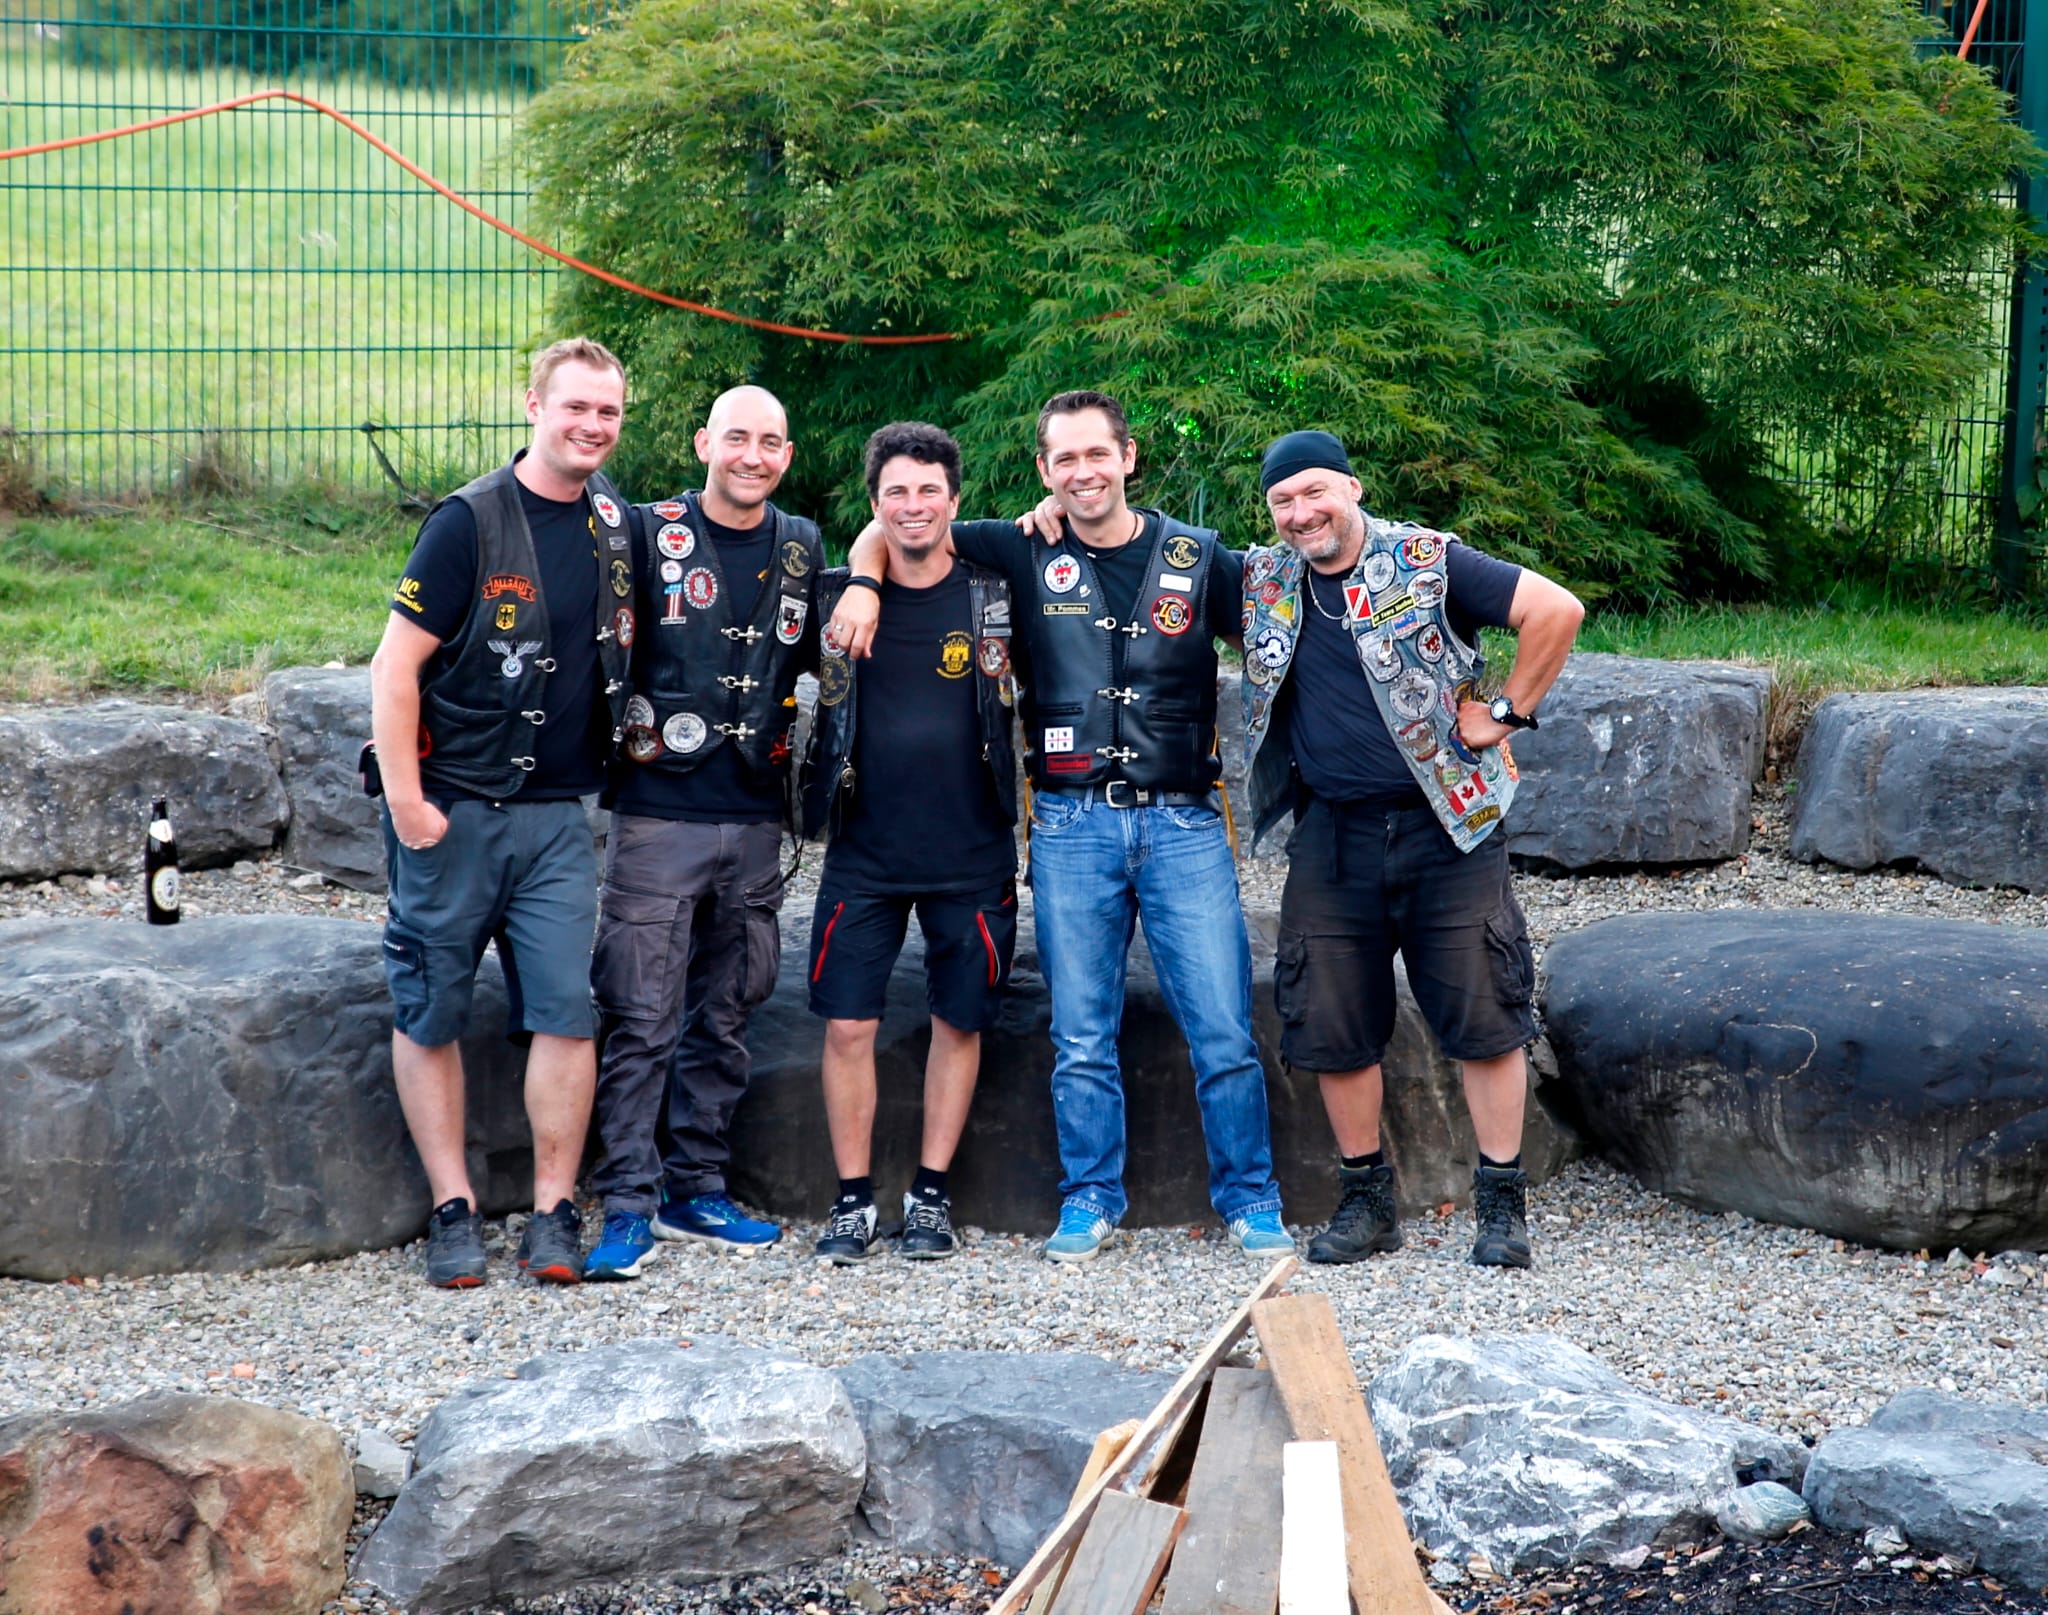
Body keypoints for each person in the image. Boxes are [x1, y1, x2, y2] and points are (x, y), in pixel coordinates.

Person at [831, 390, 1290, 1264]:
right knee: (1080, 1034)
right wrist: (859, 579)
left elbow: (1283, 639)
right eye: (1065, 459)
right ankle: (1089, 1198)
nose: (1083, 473)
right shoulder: (1020, 546)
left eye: (1096, 454)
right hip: (1072, 823)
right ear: (1044, 470)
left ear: (1129, 456)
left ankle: (1250, 1197)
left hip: (1185, 823)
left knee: (1224, 1029)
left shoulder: (1200, 557)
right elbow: (896, 525)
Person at [1240, 430, 1584, 1269]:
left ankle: (1501, 1207)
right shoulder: (1260, 579)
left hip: (1449, 827)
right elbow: (1138, 548)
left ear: (1352, 488)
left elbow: (1557, 610)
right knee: (1331, 1020)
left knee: (1486, 1015)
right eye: (1283, 500)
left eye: (1315, 492)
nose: (1301, 513)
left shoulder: (1430, 561)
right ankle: (1367, 1203)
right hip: (1332, 833)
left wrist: (1504, 713)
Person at [368, 336, 635, 1288]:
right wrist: (408, 803)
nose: (591, 426)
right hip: (454, 810)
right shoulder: (467, 522)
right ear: (534, 406)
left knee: (567, 1013)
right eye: (576, 407)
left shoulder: (617, 522)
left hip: (558, 818)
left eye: (607, 412)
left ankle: (555, 1212)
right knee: (430, 1008)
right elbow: (394, 666)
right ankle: (454, 1210)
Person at [580, 385, 822, 1281]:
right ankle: (627, 1202)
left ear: (786, 455)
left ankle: (697, 1187)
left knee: (725, 1012)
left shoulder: (802, 544)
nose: (752, 456)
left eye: (770, 441)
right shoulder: (648, 532)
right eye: (736, 438)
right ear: (703, 444)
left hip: (755, 815)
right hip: (657, 811)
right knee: (641, 1013)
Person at [800, 423, 1019, 1264]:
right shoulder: (838, 597)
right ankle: (853, 1200)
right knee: (847, 1026)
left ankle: (930, 1194)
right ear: (875, 502)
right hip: (865, 850)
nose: (914, 505)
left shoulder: (997, 592)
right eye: (896, 491)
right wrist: (863, 577)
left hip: (972, 848)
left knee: (958, 1021)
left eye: (930, 490)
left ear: (955, 501)